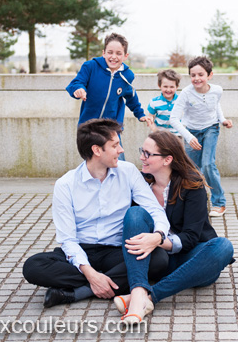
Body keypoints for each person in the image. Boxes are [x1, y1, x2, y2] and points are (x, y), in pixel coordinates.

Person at [22, 119, 170, 308]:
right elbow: (67, 239)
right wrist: (91, 274)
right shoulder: (66, 184)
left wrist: (158, 236)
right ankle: (106, 283)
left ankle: (78, 293)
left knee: (158, 259)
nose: (121, 150)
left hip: (116, 251)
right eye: (115, 145)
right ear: (97, 150)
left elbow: (154, 209)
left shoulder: (128, 172)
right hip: (82, 250)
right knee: (33, 266)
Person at [116, 131, 235, 324]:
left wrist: (158, 240)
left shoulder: (192, 185)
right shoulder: (138, 184)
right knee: (135, 214)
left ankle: (148, 298)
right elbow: (132, 226)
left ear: (167, 159)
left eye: (147, 153)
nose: (141, 157)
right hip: (154, 259)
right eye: (141, 151)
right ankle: (139, 291)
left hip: (192, 259)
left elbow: (191, 237)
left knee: (223, 247)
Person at [65, 33, 147, 161]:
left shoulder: (127, 76)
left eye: (118, 53)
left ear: (125, 56)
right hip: (89, 127)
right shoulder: (90, 67)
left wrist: (140, 114)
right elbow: (76, 83)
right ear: (103, 53)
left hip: (111, 128)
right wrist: (79, 89)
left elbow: (131, 96)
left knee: (118, 164)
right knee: (94, 164)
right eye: (110, 52)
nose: (114, 57)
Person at [169, 56, 232, 217]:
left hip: (211, 128)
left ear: (209, 75)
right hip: (191, 131)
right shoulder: (186, 93)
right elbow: (173, 119)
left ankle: (219, 203)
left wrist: (222, 120)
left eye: (200, 75)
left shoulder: (217, 90)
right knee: (192, 170)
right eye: (193, 75)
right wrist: (189, 137)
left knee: (208, 165)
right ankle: (197, 203)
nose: (196, 78)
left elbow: (215, 104)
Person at [145, 69, 182, 135]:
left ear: (177, 87)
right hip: (159, 135)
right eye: (165, 86)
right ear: (159, 86)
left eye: (172, 87)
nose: (168, 90)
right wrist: (155, 130)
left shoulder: (181, 100)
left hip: (176, 135)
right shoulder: (154, 102)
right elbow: (150, 118)